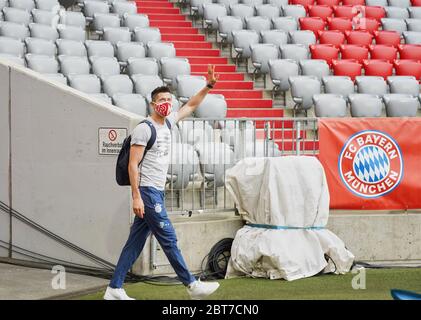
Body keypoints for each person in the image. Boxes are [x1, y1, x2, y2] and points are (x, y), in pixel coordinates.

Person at [104, 65, 220, 300]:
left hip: (156, 190)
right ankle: (191, 285)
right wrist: (136, 196)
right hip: (147, 192)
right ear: (153, 104)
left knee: (134, 243)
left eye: (169, 99)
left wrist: (208, 86)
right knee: (169, 239)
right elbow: (133, 165)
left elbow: (192, 105)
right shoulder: (144, 129)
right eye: (161, 100)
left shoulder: (168, 123)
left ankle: (114, 289)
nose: (167, 103)